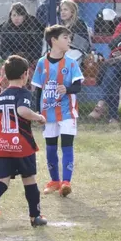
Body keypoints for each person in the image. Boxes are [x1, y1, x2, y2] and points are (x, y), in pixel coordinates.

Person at [0, 55, 49, 231]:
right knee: (29, 180)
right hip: (21, 145)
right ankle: (35, 216)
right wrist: (39, 117)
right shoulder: (24, 93)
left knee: (2, 181)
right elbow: (22, 110)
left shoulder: (2, 96)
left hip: (2, 145)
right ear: (25, 74)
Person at [31, 25, 84, 196]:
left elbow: (78, 87)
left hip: (67, 111)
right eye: (65, 37)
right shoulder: (41, 63)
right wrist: (37, 112)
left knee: (67, 146)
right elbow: (38, 89)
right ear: (53, 40)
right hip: (48, 113)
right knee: (51, 148)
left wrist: (67, 89)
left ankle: (66, 183)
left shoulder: (71, 63)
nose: (69, 40)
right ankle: (55, 181)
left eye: (69, 38)